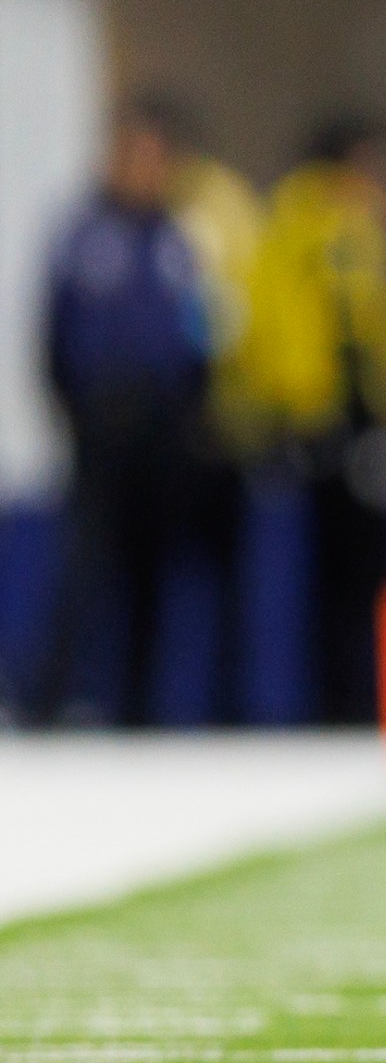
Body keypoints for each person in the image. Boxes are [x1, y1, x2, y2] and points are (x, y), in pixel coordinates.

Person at [21, 99, 244, 728]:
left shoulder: (181, 237)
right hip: (102, 422)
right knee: (84, 568)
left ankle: (139, 707)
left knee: (152, 568)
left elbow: (204, 329)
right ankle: (47, 701)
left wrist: (196, 407)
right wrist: (73, 409)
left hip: (167, 424)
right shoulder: (85, 233)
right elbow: (54, 333)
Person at [223, 117, 386, 726]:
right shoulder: (335, 231)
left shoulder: (285, 225)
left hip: (304, 423)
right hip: (328, 425)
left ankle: (334, 703)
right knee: (349, 579)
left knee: (327, 582)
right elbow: (363, 332)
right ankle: (349, 705)